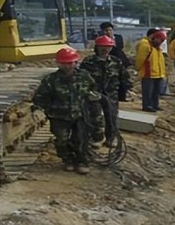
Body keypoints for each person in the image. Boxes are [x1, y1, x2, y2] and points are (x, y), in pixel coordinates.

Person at [32, 47, 104, 175]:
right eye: (65, 63)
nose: (68, 66)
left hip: (80, 114)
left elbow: (93, 89)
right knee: (61, 140)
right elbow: (40, 97)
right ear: (59, 63)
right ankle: (68, 160)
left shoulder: (84, 76)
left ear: (76, 62)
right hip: (58, 116)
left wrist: (94, 96)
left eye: (71, 63)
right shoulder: (51, 80)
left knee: (81, 139)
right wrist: (38, 110)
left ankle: (82, 161)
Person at [79, 35, 130, 147]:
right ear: (97, 47)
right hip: (94, 94)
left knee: (111, 117)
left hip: (111, 94)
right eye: (103, 46)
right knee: (95, 116)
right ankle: (97, 138)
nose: (105, 49)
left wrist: (123, 93)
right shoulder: (88, 62)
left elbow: (123, 78)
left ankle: (111, 138)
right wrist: (86, 92)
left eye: (108, 47)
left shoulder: (116, 62)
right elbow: (80, 79)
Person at [135, 29, 167, 112]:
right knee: (148, 91)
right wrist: (138, 68)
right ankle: (147, 105)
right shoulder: (145, 44)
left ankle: (155, 105)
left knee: (156, 91)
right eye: (160, 39)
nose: (161, 42)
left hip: (158, 73)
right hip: (148, 72)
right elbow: (140, 59)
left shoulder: (157, 47)